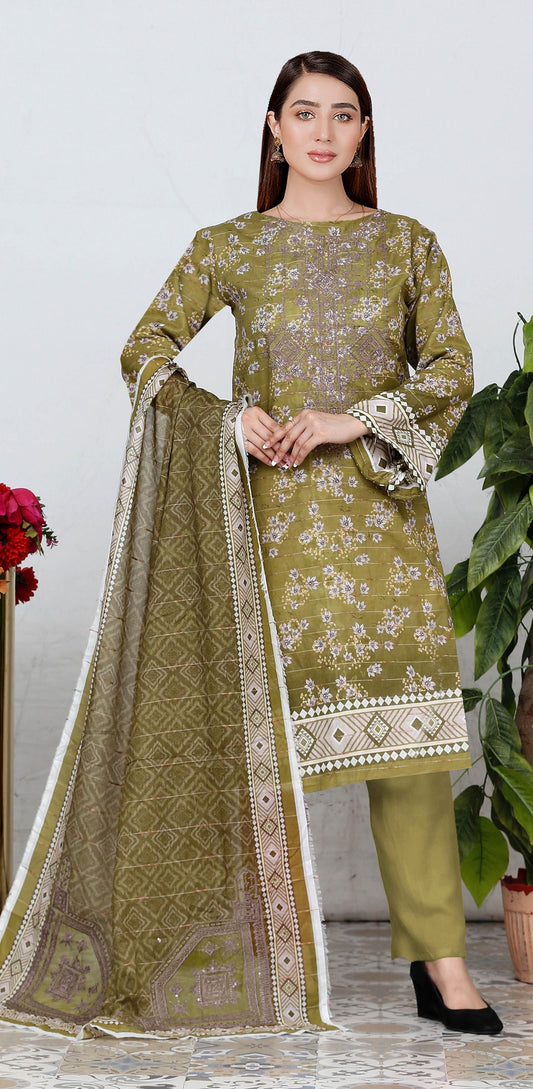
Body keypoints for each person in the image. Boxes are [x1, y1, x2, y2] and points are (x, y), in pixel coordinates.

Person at [0, 50, 502, 1038]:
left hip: (376, 532)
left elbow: (448, 365)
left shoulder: (407, 244)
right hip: (258, 536)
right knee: (243, 747)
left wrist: (348, 419)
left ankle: (440, 964)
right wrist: (225, 418)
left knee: (409, 756)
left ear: (363, 133)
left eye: (343, 114)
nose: (322, 131)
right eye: (303, 112)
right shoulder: (226, 245)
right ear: (273, 128)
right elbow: (143, 349)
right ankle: (209, 950)